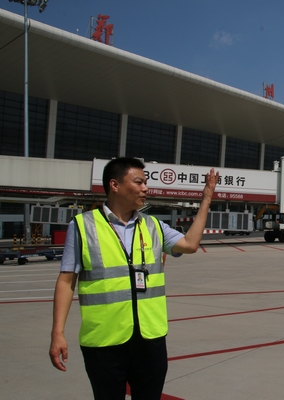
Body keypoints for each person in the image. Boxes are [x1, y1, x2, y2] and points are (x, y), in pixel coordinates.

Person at [49, 157, 219, 399]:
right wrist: (57, 333)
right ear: (115, 185)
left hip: (150, 338)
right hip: (104, 340)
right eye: (139, 182)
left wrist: (206, 199)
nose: (145, 188)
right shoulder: (83, 226)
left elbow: (190, 244)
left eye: (145, 183)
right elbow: (66, 281)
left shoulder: (153, 226)